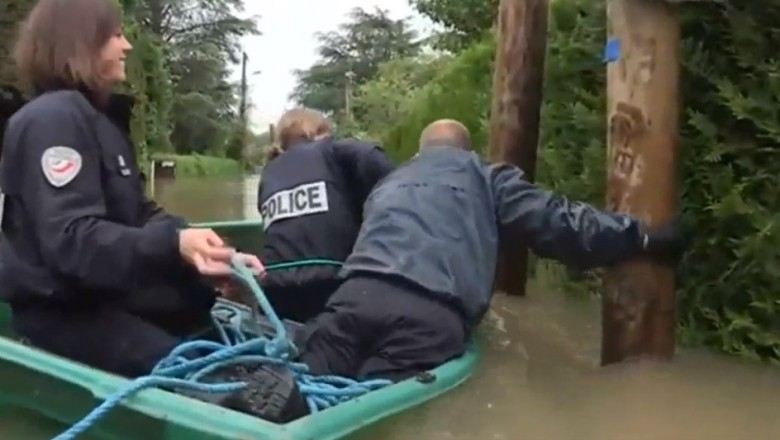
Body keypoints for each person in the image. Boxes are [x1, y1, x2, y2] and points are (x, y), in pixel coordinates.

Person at [293, 119, 685, 384]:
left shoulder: (389, 181)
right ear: (469, 150)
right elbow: (556, 221)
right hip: (428, 310)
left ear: (418, 152)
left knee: (307, 387)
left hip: (352, 296)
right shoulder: (484, 174)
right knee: (376, 406)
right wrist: (641, 237)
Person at [0, 0, 264, 380]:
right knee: (225, 384)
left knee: (206, 312)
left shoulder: (101, 122)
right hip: (65, 314)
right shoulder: (53, 119)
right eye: (117, 35)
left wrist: (207, 252)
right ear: (82, 42)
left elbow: (139, 215)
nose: (126, 46)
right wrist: (173, 245)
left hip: (105, 297)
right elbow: (72, 244)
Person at [256, 108, 395, 322]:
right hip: (333, 285)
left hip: (275, 292)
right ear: (320, 133)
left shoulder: (268, 173)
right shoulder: (332, 149)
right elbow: (374, 159)